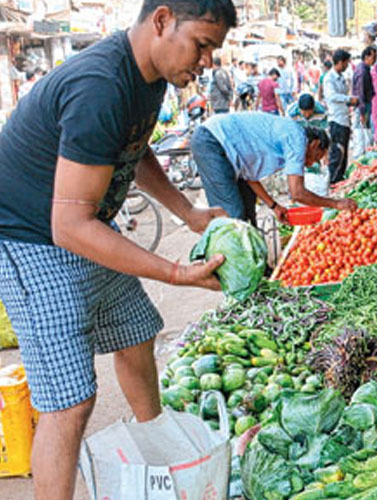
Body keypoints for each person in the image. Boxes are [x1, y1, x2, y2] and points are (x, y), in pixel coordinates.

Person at [0, 1, 237, 499]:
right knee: (70, 402)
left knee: (136, 333)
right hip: (31, 238)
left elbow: (134, 148)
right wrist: (173, 272)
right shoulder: (100, 86)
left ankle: (160, 453)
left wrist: (187, 213)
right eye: (202, 44)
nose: (206, 61)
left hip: (84, 224)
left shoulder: (147, 79)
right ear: (162, 20)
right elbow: (68, 227)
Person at [191, 112, 357, 225]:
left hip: (225, 149)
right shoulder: (296, 138)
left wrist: (274, 206)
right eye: (316, 158)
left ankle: (256, 265)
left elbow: (250, 177)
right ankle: (227, 271)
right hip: (212, 141)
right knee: (232, 215)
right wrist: (336, 203)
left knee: (249, 212)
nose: (311, 164)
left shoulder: (286, 145)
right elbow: (297, 193)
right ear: (314, 144)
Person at [324, 49, 358, 184]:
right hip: (336, 120)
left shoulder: (341, 77)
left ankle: (339, 182)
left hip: (344, 119)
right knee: (337, 155)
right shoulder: (329, 79)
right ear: (340, 62)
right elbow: (331, 96)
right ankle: (332, 183)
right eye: (346, 63)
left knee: (343, 156)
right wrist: (348, 99)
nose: (347, 66)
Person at [352, 46, 377, 157]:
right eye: (373, 56)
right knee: (361, 133)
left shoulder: (363, 68)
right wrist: (362, 112)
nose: (375, 59)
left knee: (365, 131)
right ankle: (360, 157)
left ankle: (364, 154)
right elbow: (360, 93)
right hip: (362, 106)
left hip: (364, 105)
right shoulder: (362, 71)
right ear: (366, 56)